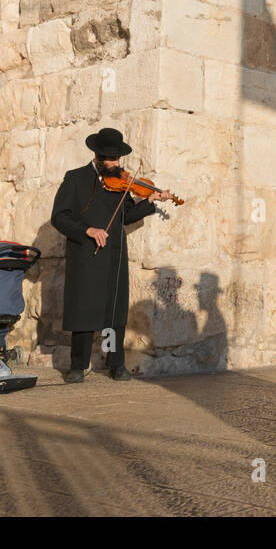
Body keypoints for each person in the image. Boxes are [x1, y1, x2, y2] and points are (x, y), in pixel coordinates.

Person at [50, 127, 174, 383]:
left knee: (113, 312)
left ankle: (114, 363)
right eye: (111, 159)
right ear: (97, 156)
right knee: (84, 310)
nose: (116, 164)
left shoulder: (120, 183)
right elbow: (59, 217)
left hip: (114, 254)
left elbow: (126, 216)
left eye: (118, 159)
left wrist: (149, 202)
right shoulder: (75, 178)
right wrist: (87, 229)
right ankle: (78, 365)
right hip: (85, 253)